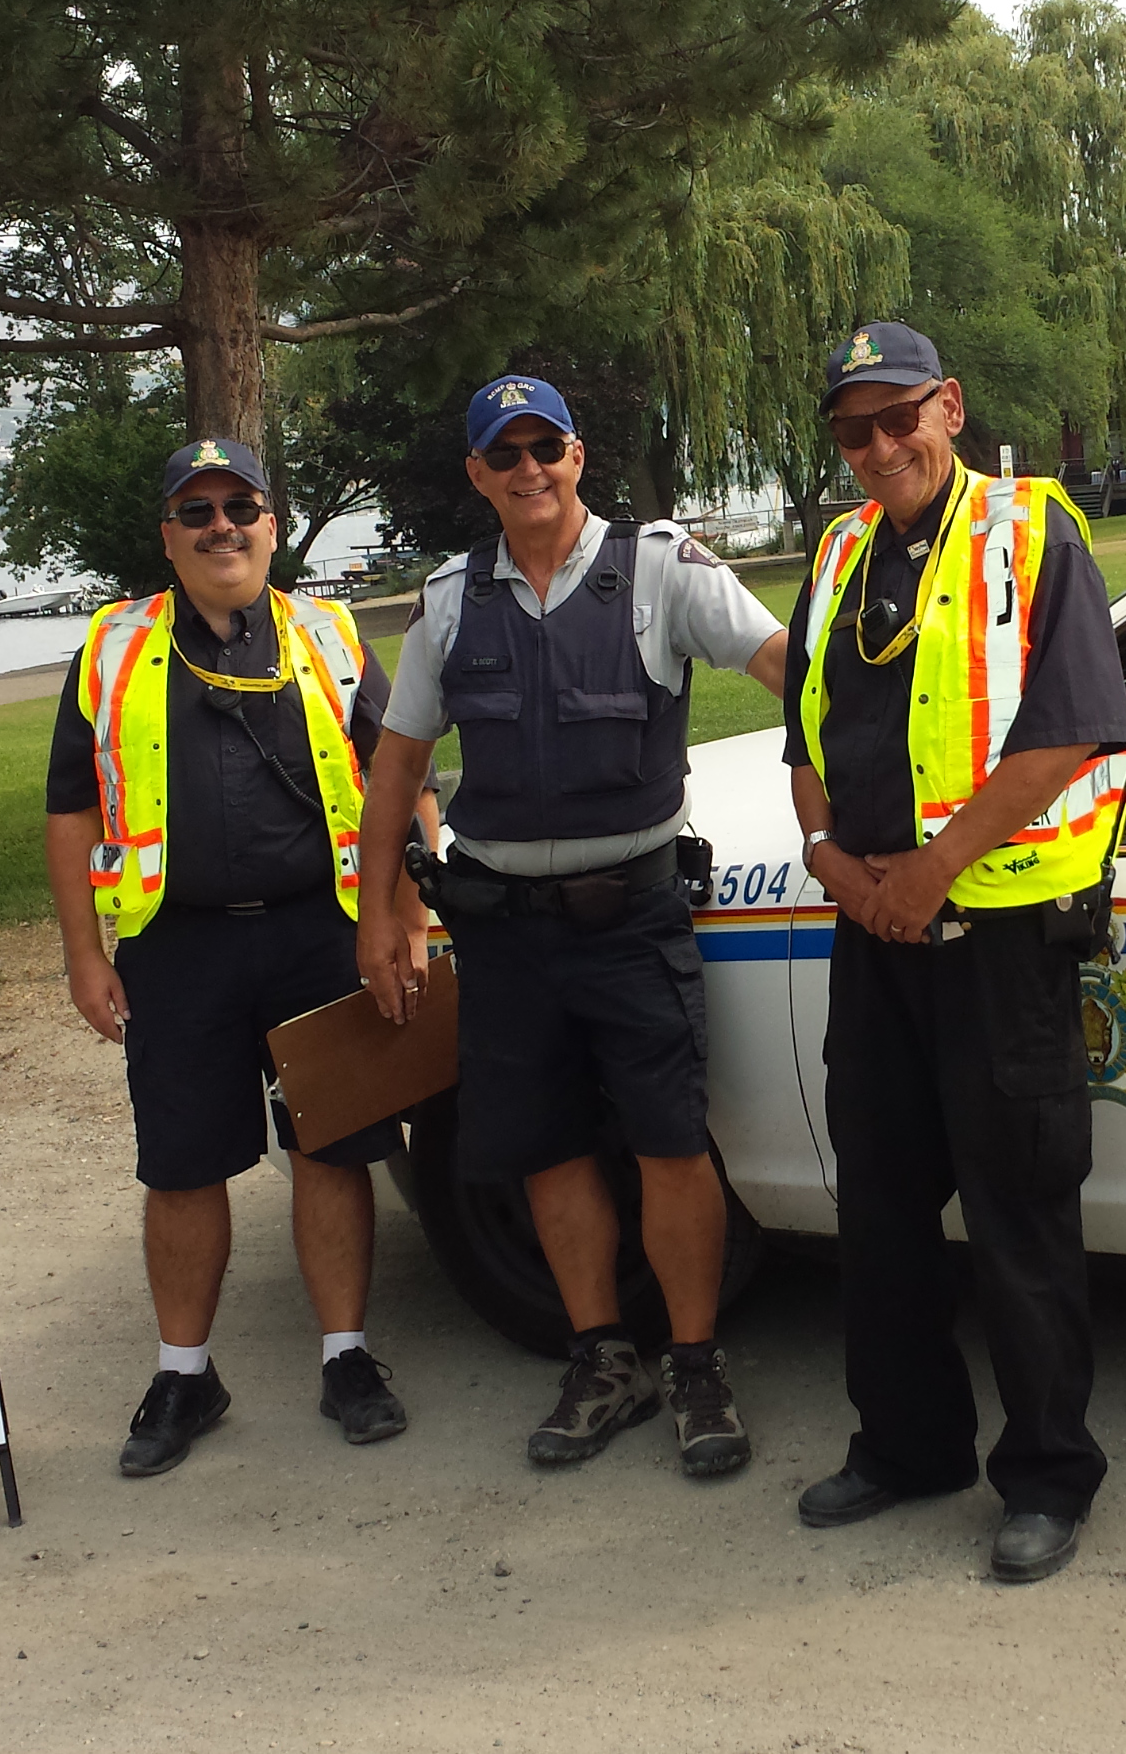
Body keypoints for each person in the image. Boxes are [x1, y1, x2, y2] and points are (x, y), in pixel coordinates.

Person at [354, 376, 789, 1478]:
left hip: (633, 917)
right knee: (545, 1150)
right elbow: (397, 767)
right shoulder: (449, 600)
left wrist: (860, 782)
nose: (529, 470)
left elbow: (788, 670)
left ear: (578, 455)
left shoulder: (662, 569)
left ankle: (695, 1366)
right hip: (505, 931)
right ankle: (603, 1360)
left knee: (670, 1145)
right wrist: (380, 914)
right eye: (505, 455)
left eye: (545, 447)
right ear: (477, 474)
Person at [780, 321, 1126, 1584]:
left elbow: (1069, 732)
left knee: (1018, 1214)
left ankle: (1046, 1478)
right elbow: (806, 732)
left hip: (1000, 939)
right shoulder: (838, 552)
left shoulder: (1035, 532)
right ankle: (906, 1447)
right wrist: (828, 857)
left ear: (950, 406)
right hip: (874, 935)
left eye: (899, 418)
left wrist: (930, 872)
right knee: (879, 1208)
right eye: (854, 431)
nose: (880, 447)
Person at [44, 435, 408, 1476]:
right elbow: (70, 809)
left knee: (333, 1150)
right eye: (196, 513)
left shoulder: (329, 634)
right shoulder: (111, 647)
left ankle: (346, 1358)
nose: (222, 529)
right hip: (176, 945)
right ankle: (184, 1375)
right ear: (167, 536)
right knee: (182, 1165)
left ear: (271, 526)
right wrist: (83, 955)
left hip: (318, 934)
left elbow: (399, 775)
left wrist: (405, 918)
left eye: (240, 508)